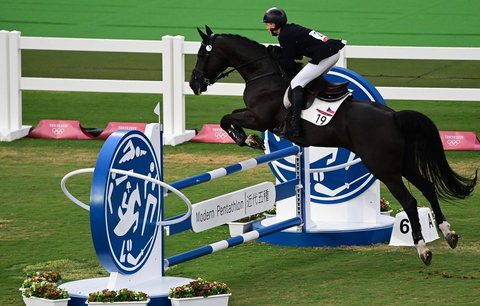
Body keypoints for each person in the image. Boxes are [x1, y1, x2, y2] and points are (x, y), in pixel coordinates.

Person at [263, 7, 345, 137]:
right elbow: (298, 55)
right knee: (308, 80)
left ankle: (295, 126)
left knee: (297, 82)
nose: (267, 28)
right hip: (332, 52)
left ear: (274, 24)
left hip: (327, 55)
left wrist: (275, 55)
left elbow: (288, 64)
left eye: (268, 24)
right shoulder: (289, 29)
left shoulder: (284, 35)